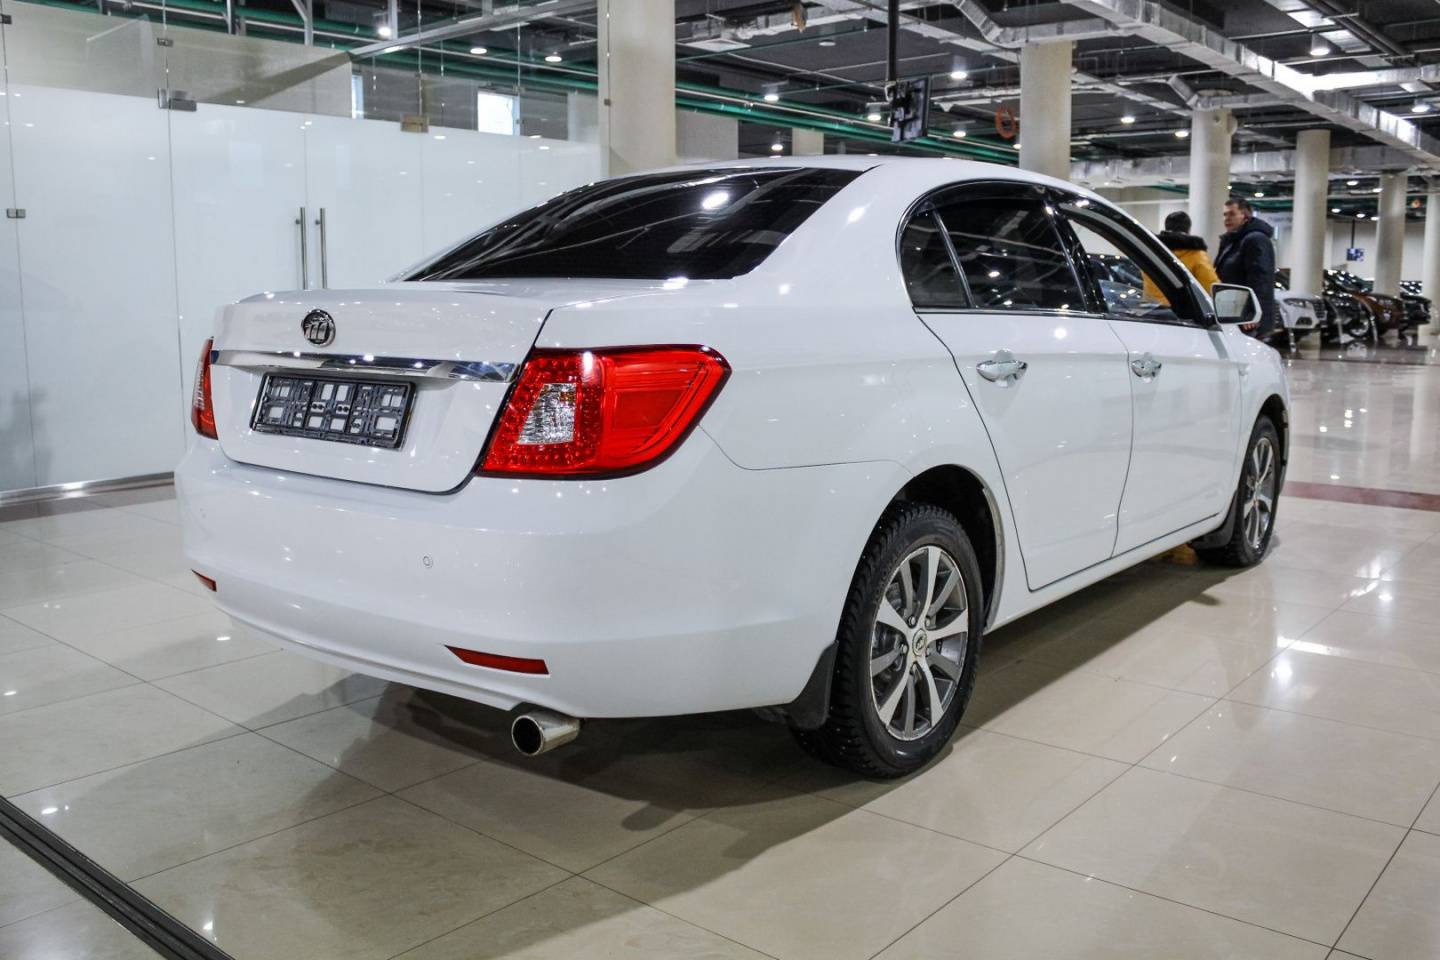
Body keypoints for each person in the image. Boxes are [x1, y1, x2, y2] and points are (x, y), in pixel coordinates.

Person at [1214, 196, 1280, 341]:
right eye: (1225, 214)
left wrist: (1253, 312)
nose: (1227, 219)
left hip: (1248, 319)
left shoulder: (1255, 239)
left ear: (1245, 216)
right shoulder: (1232, 241)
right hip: (1233, 311)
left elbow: (1261, 279)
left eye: (1232, 214)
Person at [1143, 210, 1220, 302]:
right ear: (1188, 230)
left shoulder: (1151, 252)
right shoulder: (1197, 255)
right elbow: (1211, 289)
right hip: (1181, 310)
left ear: (1166, 227)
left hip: (1151, 308)